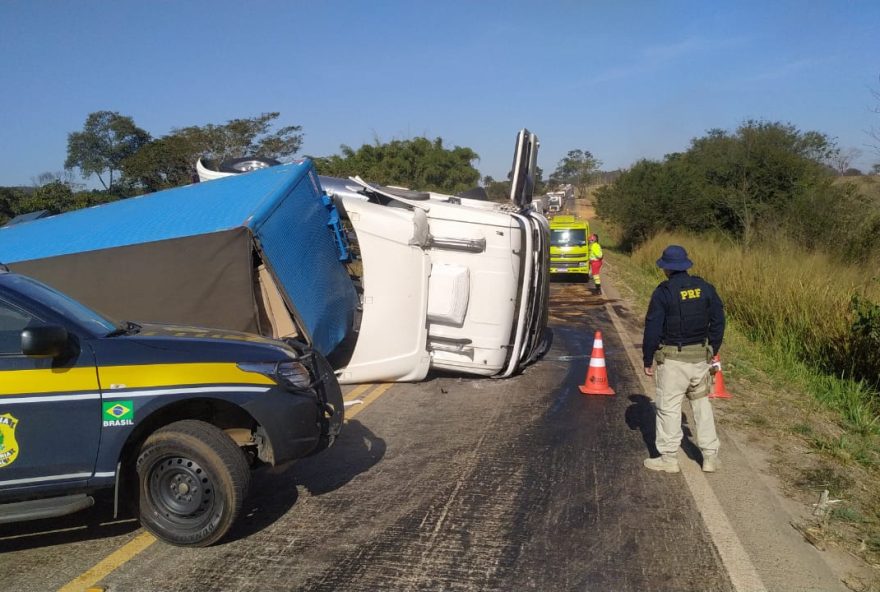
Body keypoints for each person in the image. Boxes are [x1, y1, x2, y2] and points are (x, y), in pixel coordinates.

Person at [642, 245, 725, 473]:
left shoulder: (664, 292)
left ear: (666, 268)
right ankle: (709, 457)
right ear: (685, 265)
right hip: (700, 358)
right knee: (701, 405)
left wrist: (647, 359)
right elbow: (719, 321)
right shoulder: (705, 288)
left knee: (668, 407)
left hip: (673, 362)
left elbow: (652, 329)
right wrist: (712, 349)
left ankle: (669, 459)